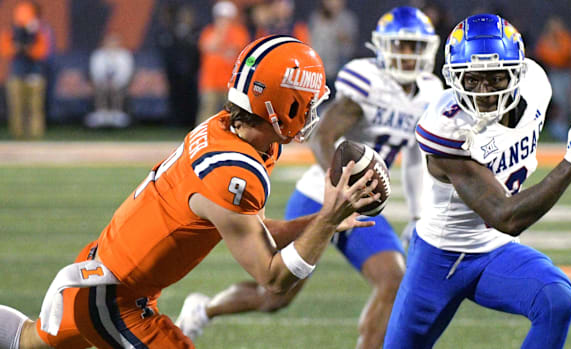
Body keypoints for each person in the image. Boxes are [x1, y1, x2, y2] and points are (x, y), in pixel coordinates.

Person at [0, 35, 379, 349]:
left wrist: (320, 222)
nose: (314, 110)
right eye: (308, 101)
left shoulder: (231, 131)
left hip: (106, 272)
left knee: (26, 341)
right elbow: (274, 278)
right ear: (285, 104)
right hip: (115, 298)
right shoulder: (234, 172)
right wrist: (328, 219)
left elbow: (254, 232)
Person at [175, 7, 444, 349]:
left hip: (356, 202)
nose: (407, 55)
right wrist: (340, 190)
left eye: (415, 47)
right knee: (275, 295)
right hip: (320, 196)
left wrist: (419, 213)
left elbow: (416, 157)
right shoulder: (369, 81)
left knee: (393, 280)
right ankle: (204, 308)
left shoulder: (431, 91)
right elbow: (324, 137)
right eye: (401, 45)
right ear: (383, 46)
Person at [383, 14, 571, 349]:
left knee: (556, 299)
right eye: (470, 80)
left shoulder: (535, 86)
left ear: (515, 73)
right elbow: (506, 216)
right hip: (439, 259)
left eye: (493, 79)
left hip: (494, 253)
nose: (482, 92)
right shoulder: (445, 127)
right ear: (453, 78)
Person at [0, 0, 52, 139]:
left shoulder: (40, 31)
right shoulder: (11, 31)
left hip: (35, 73)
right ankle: (18, 135)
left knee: (35, 107)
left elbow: (41, 52)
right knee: (16, 107)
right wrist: (17, 47)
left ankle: (35, 135)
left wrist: (29, 43)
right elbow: (5, 51)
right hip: (16, 73)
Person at [196, 1, 250, 125]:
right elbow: (208, 46)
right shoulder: (209, 31)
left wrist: (222, 46)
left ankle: (233, 139)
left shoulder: (239, 32)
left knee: (234, 113)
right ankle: (202, 139)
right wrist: (221, 35)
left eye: (226, 18)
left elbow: (234, 52)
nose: (223, 21)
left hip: (231, 82)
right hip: (210, 81)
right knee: (206, 113)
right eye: (220, 17)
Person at [535, 16, 571, 141]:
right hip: (552, 73)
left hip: (566, 72)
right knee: (557, 101)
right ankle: (557, 129)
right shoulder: (546, 40)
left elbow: (567, 53)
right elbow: (542, 54)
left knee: (568, 101)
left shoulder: (565, 38)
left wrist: (557, 47)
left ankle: (567, 128)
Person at [85, 33, 135, 129]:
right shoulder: (98, 55)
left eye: (114, 42)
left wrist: (117, 82)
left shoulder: (125, 55)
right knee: (100, 89)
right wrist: (103, 82)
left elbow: (126, 72)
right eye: (109, 42)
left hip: (120, 84)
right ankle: (101, 113)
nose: (111, 44)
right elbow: (95, 71)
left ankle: (117, 113)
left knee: (116, 90)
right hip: (101, 83)